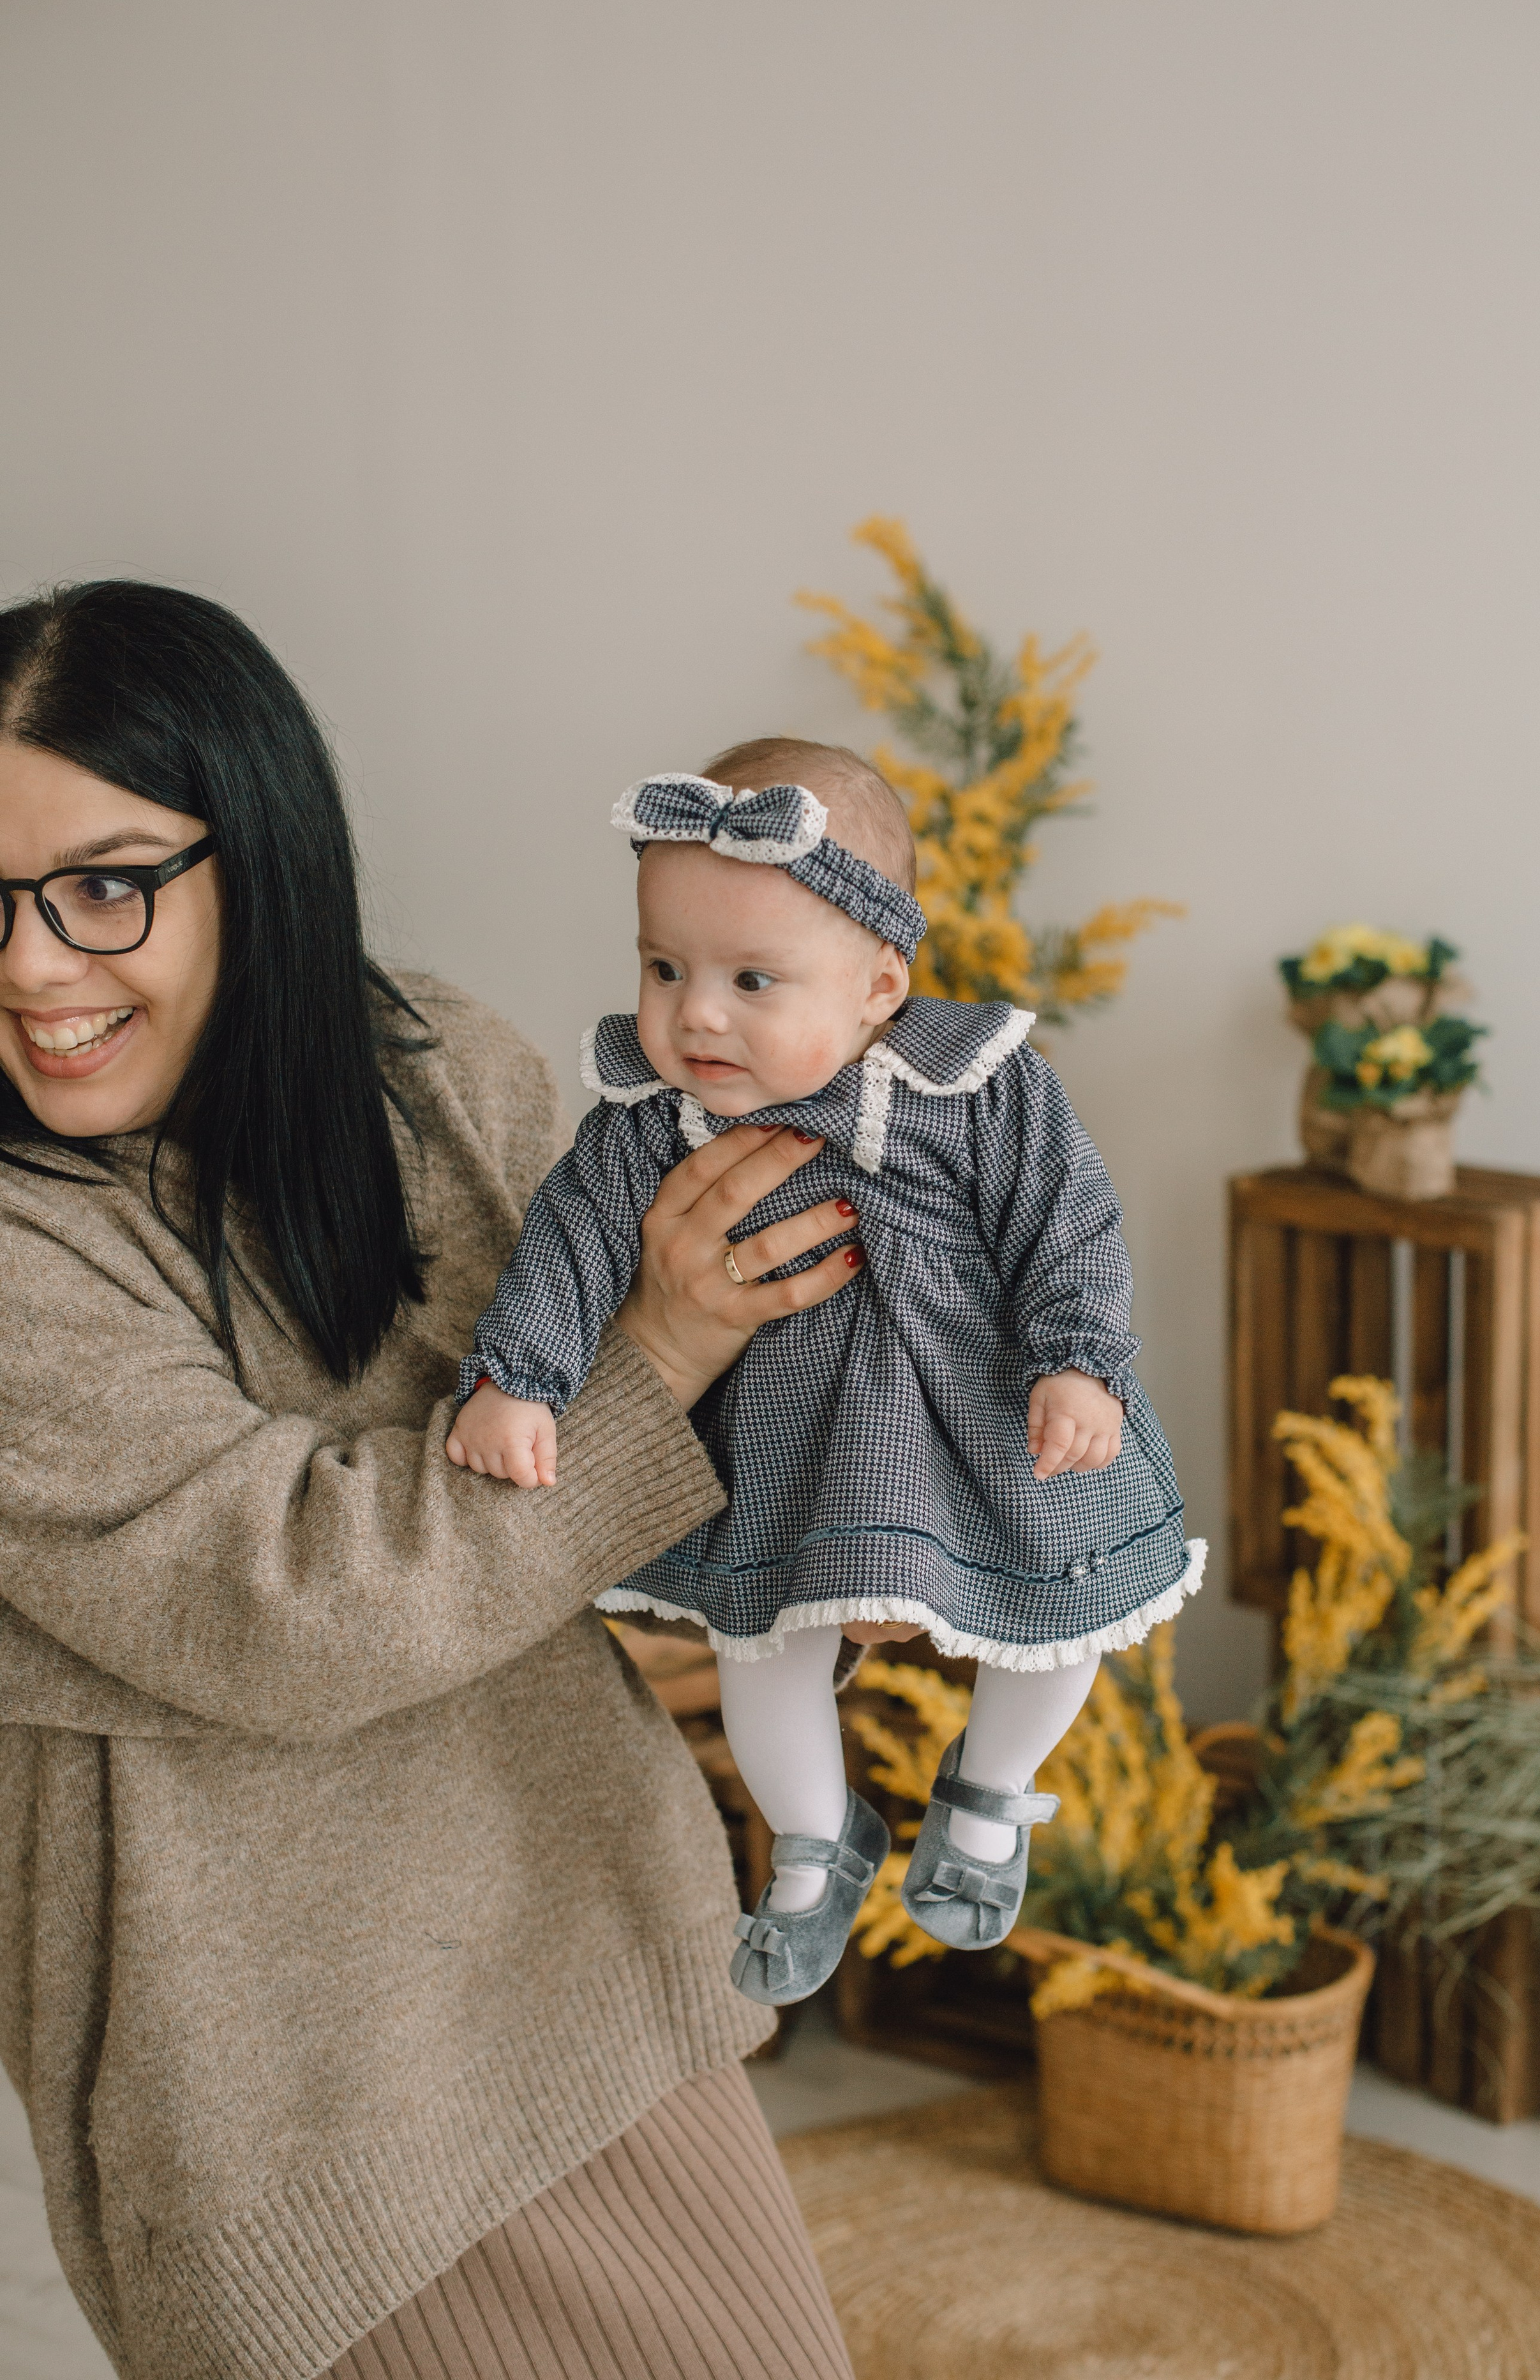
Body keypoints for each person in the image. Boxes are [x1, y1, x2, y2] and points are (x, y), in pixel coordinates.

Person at [0, 584, 867, 2380]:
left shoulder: (436, 1071)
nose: (30, 968)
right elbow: (290, 1610)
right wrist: (656, 1365)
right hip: (287, 2135)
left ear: (261, 853)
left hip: (594, 1980)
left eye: (105, 885)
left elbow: (655, 1483)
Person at [447, 739, 1205, 2009]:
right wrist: (516, 1379)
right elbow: (569, 1248)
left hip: (976, 1417)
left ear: (877, 985)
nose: (696, 1013)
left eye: (752, 978)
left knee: (1060, 1610)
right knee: (765, 1645)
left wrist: (1078, 1365)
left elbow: (1064, 1225)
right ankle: (810, 1842)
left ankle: (989, 1793)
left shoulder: (976, 1088)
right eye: (664, 968)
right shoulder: (649, 1122)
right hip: (791, 1448)